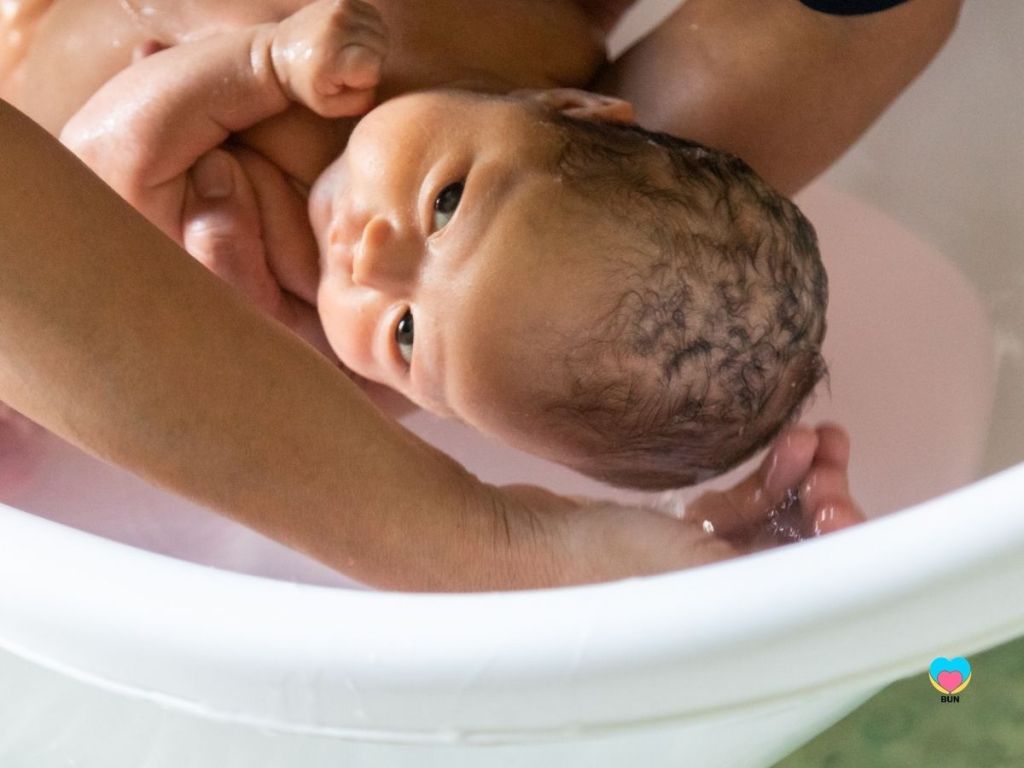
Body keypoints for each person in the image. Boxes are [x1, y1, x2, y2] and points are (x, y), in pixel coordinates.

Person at [0, 0, 960, 589]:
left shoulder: (284, 288)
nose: (372, 253)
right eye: (448, 200)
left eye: (409, 334)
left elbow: (80, 169)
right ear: (572, 109)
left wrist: (254, 70)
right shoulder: (528, 39)